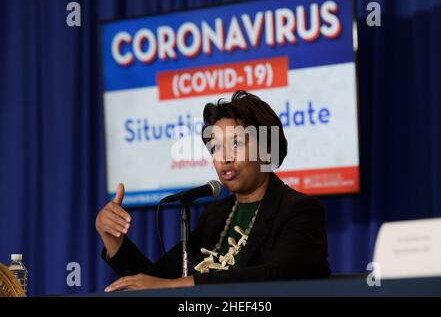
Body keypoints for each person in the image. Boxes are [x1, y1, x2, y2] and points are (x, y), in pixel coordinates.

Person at [96, 90, 330, 292]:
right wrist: (113, 240)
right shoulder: (216, 215)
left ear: (267, 149)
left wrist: (176, 285)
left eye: (236, 144)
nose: (224, 158)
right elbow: (156, 280)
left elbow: (279, 276)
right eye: (216, 147)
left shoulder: (299, 211)